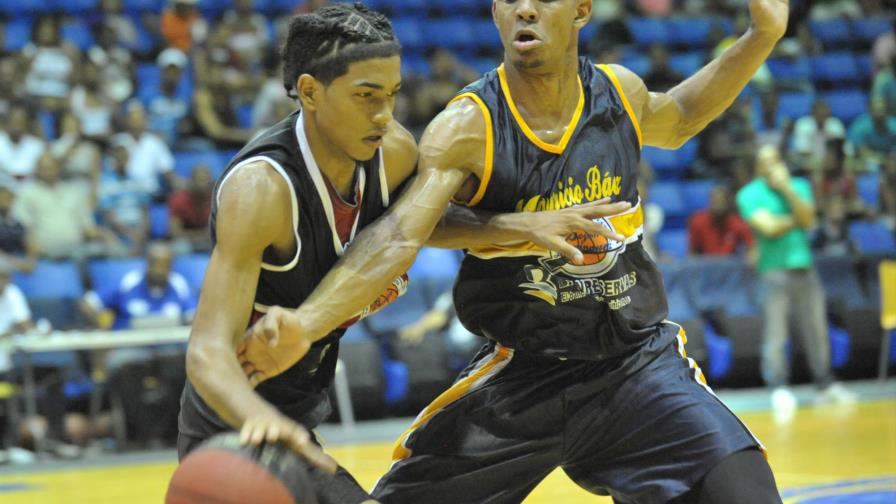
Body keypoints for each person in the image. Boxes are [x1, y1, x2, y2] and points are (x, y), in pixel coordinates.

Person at [242, 1, 791, 502]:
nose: (524, 9)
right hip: (520, 379)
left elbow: (681, 117)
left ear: (581, 10)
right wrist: (308, 323)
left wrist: (761, 34)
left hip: (635, 367)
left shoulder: (618, 92)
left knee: (744, 491)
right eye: (509, 1)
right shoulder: (469, 124)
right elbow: (402, 232)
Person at [176, 5, 618, 504]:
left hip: (297, 414)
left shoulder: (393, 152)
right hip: (234, 426)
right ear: (309, 91)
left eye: (391, 95)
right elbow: (207, 353)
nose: (384, 115)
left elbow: (420, 225)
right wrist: (261, 421)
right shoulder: (261, 190)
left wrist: (523, 227)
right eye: (366, 97)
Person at [736, 145, 856, 416]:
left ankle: (825, 384)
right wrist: (797, 219)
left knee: (817, 329)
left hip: (805, 267)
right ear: (757, 167)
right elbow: (769, 227)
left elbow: (811, 220)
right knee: (776, 333)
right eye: (764, 162)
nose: (771, 166)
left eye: (775, 159)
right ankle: (778, 386)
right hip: (772, 270)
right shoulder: (749, 193)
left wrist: (788, 191)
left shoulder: (798, 186)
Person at [689, 185, 755, 257]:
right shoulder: (698, 222)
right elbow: (693, 253)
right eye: (715, 201)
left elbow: (752, 246)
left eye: (721, 201)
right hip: (705, 265)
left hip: (730, 265)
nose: (718, 205)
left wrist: (751, 256)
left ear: (728, 203)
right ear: (709, 202)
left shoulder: (736, 222)